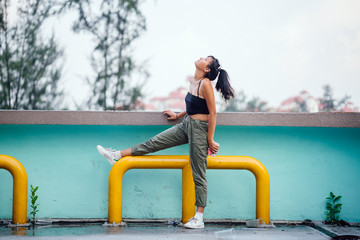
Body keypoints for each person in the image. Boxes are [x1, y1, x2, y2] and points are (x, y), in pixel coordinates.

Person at [97, 55, 234, 229]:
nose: (201, 58)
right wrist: (177, 115)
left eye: (205, 59)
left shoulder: (205, 84)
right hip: (187, 125)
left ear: (207, 69)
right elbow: (195, 106)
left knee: (198, 172)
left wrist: (209, 139)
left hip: (200, 129)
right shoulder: (194, 81)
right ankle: (116, 155)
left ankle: (199, 218)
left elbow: (213, 113)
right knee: (153, 143)